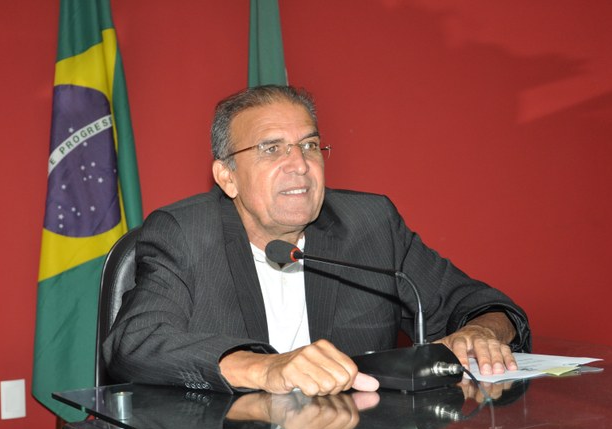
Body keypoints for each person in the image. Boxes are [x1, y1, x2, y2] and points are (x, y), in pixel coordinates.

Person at [104, 85, 530, 396]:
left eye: (309, 145)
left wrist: (481, 332)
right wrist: (267, 368)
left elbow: (483, 304)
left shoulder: (369, 225)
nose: (300, 164)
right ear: (227, 176)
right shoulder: (184, 232)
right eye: (271, 149)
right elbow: (136, 342)